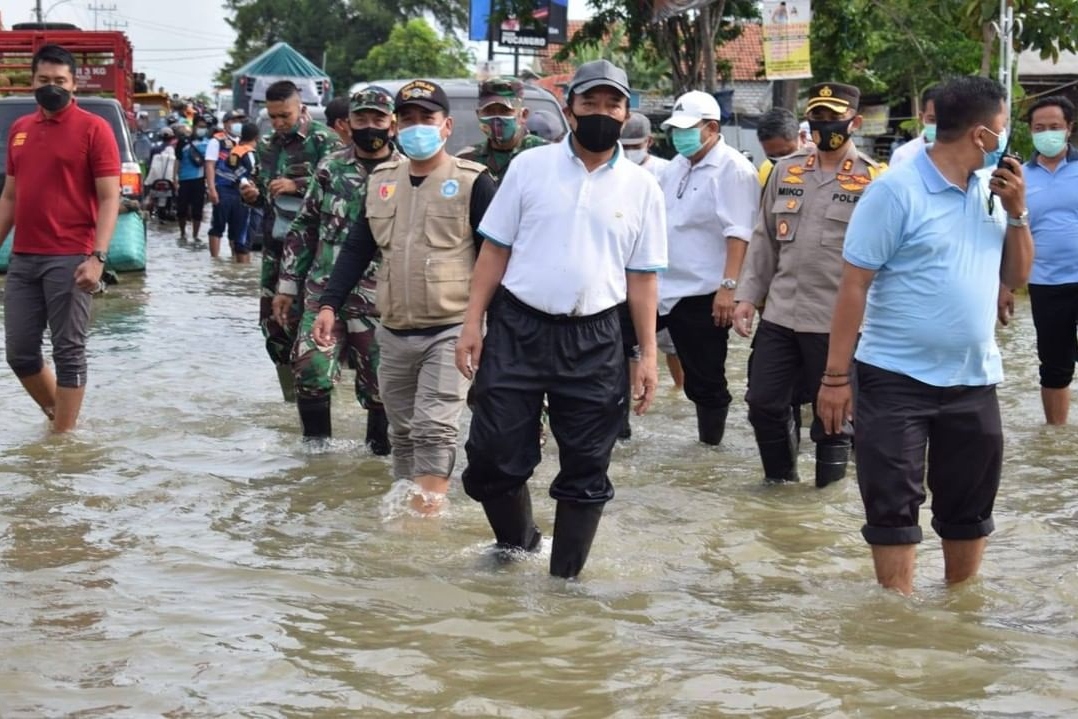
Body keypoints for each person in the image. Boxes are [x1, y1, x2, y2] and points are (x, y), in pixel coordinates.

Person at [818, 75, 1033, 595]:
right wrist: (835, 378)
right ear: (982, 134)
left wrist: (1019, 212)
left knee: (969, 507)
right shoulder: (894, 190)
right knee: (893, 505)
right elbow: (854, 287)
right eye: (1002, 127)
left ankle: (957, 617)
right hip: (895, 377)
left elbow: (1018, 280)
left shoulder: (993, 190)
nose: (1007, 139)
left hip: (974, 377)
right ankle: (899, 626)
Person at [456, 60, 668, 579]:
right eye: (590, 103)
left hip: (596, 337)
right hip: (517, 328)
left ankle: (565, 584)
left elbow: (642, 280)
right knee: (491, 457)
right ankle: (519, 545)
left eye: (612, 104)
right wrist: (471, 323)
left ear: (626, 112)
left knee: (587, 467)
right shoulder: (530, 168)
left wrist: (645, 355)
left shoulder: (643, 189)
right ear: (570, 107)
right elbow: (494, 252)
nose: (601, 113)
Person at [313, 80, 496, 513]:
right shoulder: (381, 181)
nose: (417, 127)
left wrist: (491, 329)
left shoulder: (474, 182)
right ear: (396, 126)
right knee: (402, 432)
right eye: (408, 119)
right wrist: (328, 305)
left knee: (434, 427)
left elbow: (498, 257)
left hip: (452, 329)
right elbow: (359, 247)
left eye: (427, 119)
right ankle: (406, 512)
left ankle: (426, 520)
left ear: (446, 126)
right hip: (393, 329)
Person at [733, 82, 882, 487]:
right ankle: (780, 490)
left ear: (855, 122)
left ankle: (823, 508)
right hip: (781, 314)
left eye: (834, 117)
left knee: (833, 417)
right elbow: (763, 238)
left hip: (836, 322)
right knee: (762, 402)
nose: (824, 124)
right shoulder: (785, 170)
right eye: (817, 115)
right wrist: (746, 295)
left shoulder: (874, 181)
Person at [0, 44, 120, 432]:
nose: (51, 87)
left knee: (68, 352)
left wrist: (97, 257)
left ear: (74, 84)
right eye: (44, 80)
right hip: (23, 258)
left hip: (71, 256)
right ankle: (63, 421)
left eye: (60, 81)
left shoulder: (94, 128)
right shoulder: (20, 130)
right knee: (19, 352)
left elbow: (109, 197)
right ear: (32, 82)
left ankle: (63, 441)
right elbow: (10, 197)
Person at [273, 88, 398, 451]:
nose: (369, 127)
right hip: (323, 294)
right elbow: (304, 227)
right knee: (310, 368)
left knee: (381, 385)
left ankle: (376, 462)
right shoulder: (331, 167)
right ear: (349, 123)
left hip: (381, 299)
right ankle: (316, 459)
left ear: (391, 124)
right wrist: (287, 286)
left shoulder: (405, 172)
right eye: (361, 120)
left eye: (378, 120)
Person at [658, 90, 759, 445]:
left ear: (712, 128)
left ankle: (709, 447)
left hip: (705, 291)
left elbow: (740, 233)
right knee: (620, 350)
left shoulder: (734, 169)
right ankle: (617, 433)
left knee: (706, 380)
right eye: (675, 129)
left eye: (688, 128)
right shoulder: (676, 166)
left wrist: (729, 288)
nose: (678, 136)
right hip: (662, 285)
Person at [240, 81, 339, 403]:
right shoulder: (267, 145)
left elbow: (342, 186)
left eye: (285, 115)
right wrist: (253, 195)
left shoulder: (324, 140)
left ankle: (321, 395)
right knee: (273, 326)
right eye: (273, 117)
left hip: (313, 256)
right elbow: (265, 191)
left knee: (312, 328)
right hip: (274, 250)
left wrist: (296, 184)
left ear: (301, 108)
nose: (279, 122)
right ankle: (290, 401)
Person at [1001, 95, 1078, 425]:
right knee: (1054, 366)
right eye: (1039, 128)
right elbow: (1007, 230)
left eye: (1055, 127)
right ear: (1030, 132)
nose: (1047, 133)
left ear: (1069, 128)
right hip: (1045, 282)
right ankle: (1056, 436)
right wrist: (1004, 285)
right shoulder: (1017, 176)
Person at [457, 77, 548, 183]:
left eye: (505, 111)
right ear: (479, 115)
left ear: (523, 115)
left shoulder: (545, 154)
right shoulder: (466, 160)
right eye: (489, 112)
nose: (496, 119)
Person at [207, 122, 259, 264]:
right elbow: (243, 170)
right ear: (257, 137)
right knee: (241, 239)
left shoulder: (237, 149)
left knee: (238, 234)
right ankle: (228, 264)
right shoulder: (245, 152)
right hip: (233, 192)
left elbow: (233, 166)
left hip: (238, 193)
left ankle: (232, 265)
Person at [205, 109, 245, 254]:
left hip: (241, 190)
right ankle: (215, 260)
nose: (237, 124)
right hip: (222, 188)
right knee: (218, 225)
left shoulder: (244, 141)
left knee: (238, 227)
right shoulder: (217, 141)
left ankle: (235, 260)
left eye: (240, 121)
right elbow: (210, 165)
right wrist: (211, 189)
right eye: (234, 121)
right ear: (226, 123)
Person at [175, 113, 212, 241]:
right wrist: (174, 178)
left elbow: (210, 164)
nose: (202, 129)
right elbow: (177, 161)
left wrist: (210, 182)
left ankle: (195, 235)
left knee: (198, 209)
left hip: (200, 180)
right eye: (200, 126)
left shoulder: (209, 143)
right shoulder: (183, 142)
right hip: (184, 179)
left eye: (205, 127)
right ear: (194, 126)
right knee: (181, 209)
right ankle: (182, 233)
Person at [890, 86, 938, 167]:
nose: (939, 125)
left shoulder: (962, 155)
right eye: (932, 120)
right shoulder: (903, 155)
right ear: (921, 117)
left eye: (945, 120)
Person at [755, 108, 803, 186]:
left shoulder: (823, 169)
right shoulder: (766, 172)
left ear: (802, 137)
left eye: (785, 154)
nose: (780, 163)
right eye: (772, 157)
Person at [620, 112, 670, 179]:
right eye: (624, 147)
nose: (629, 151)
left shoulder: (666, 170)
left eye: (635, 146)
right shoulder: (608, 170)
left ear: (649, 141)